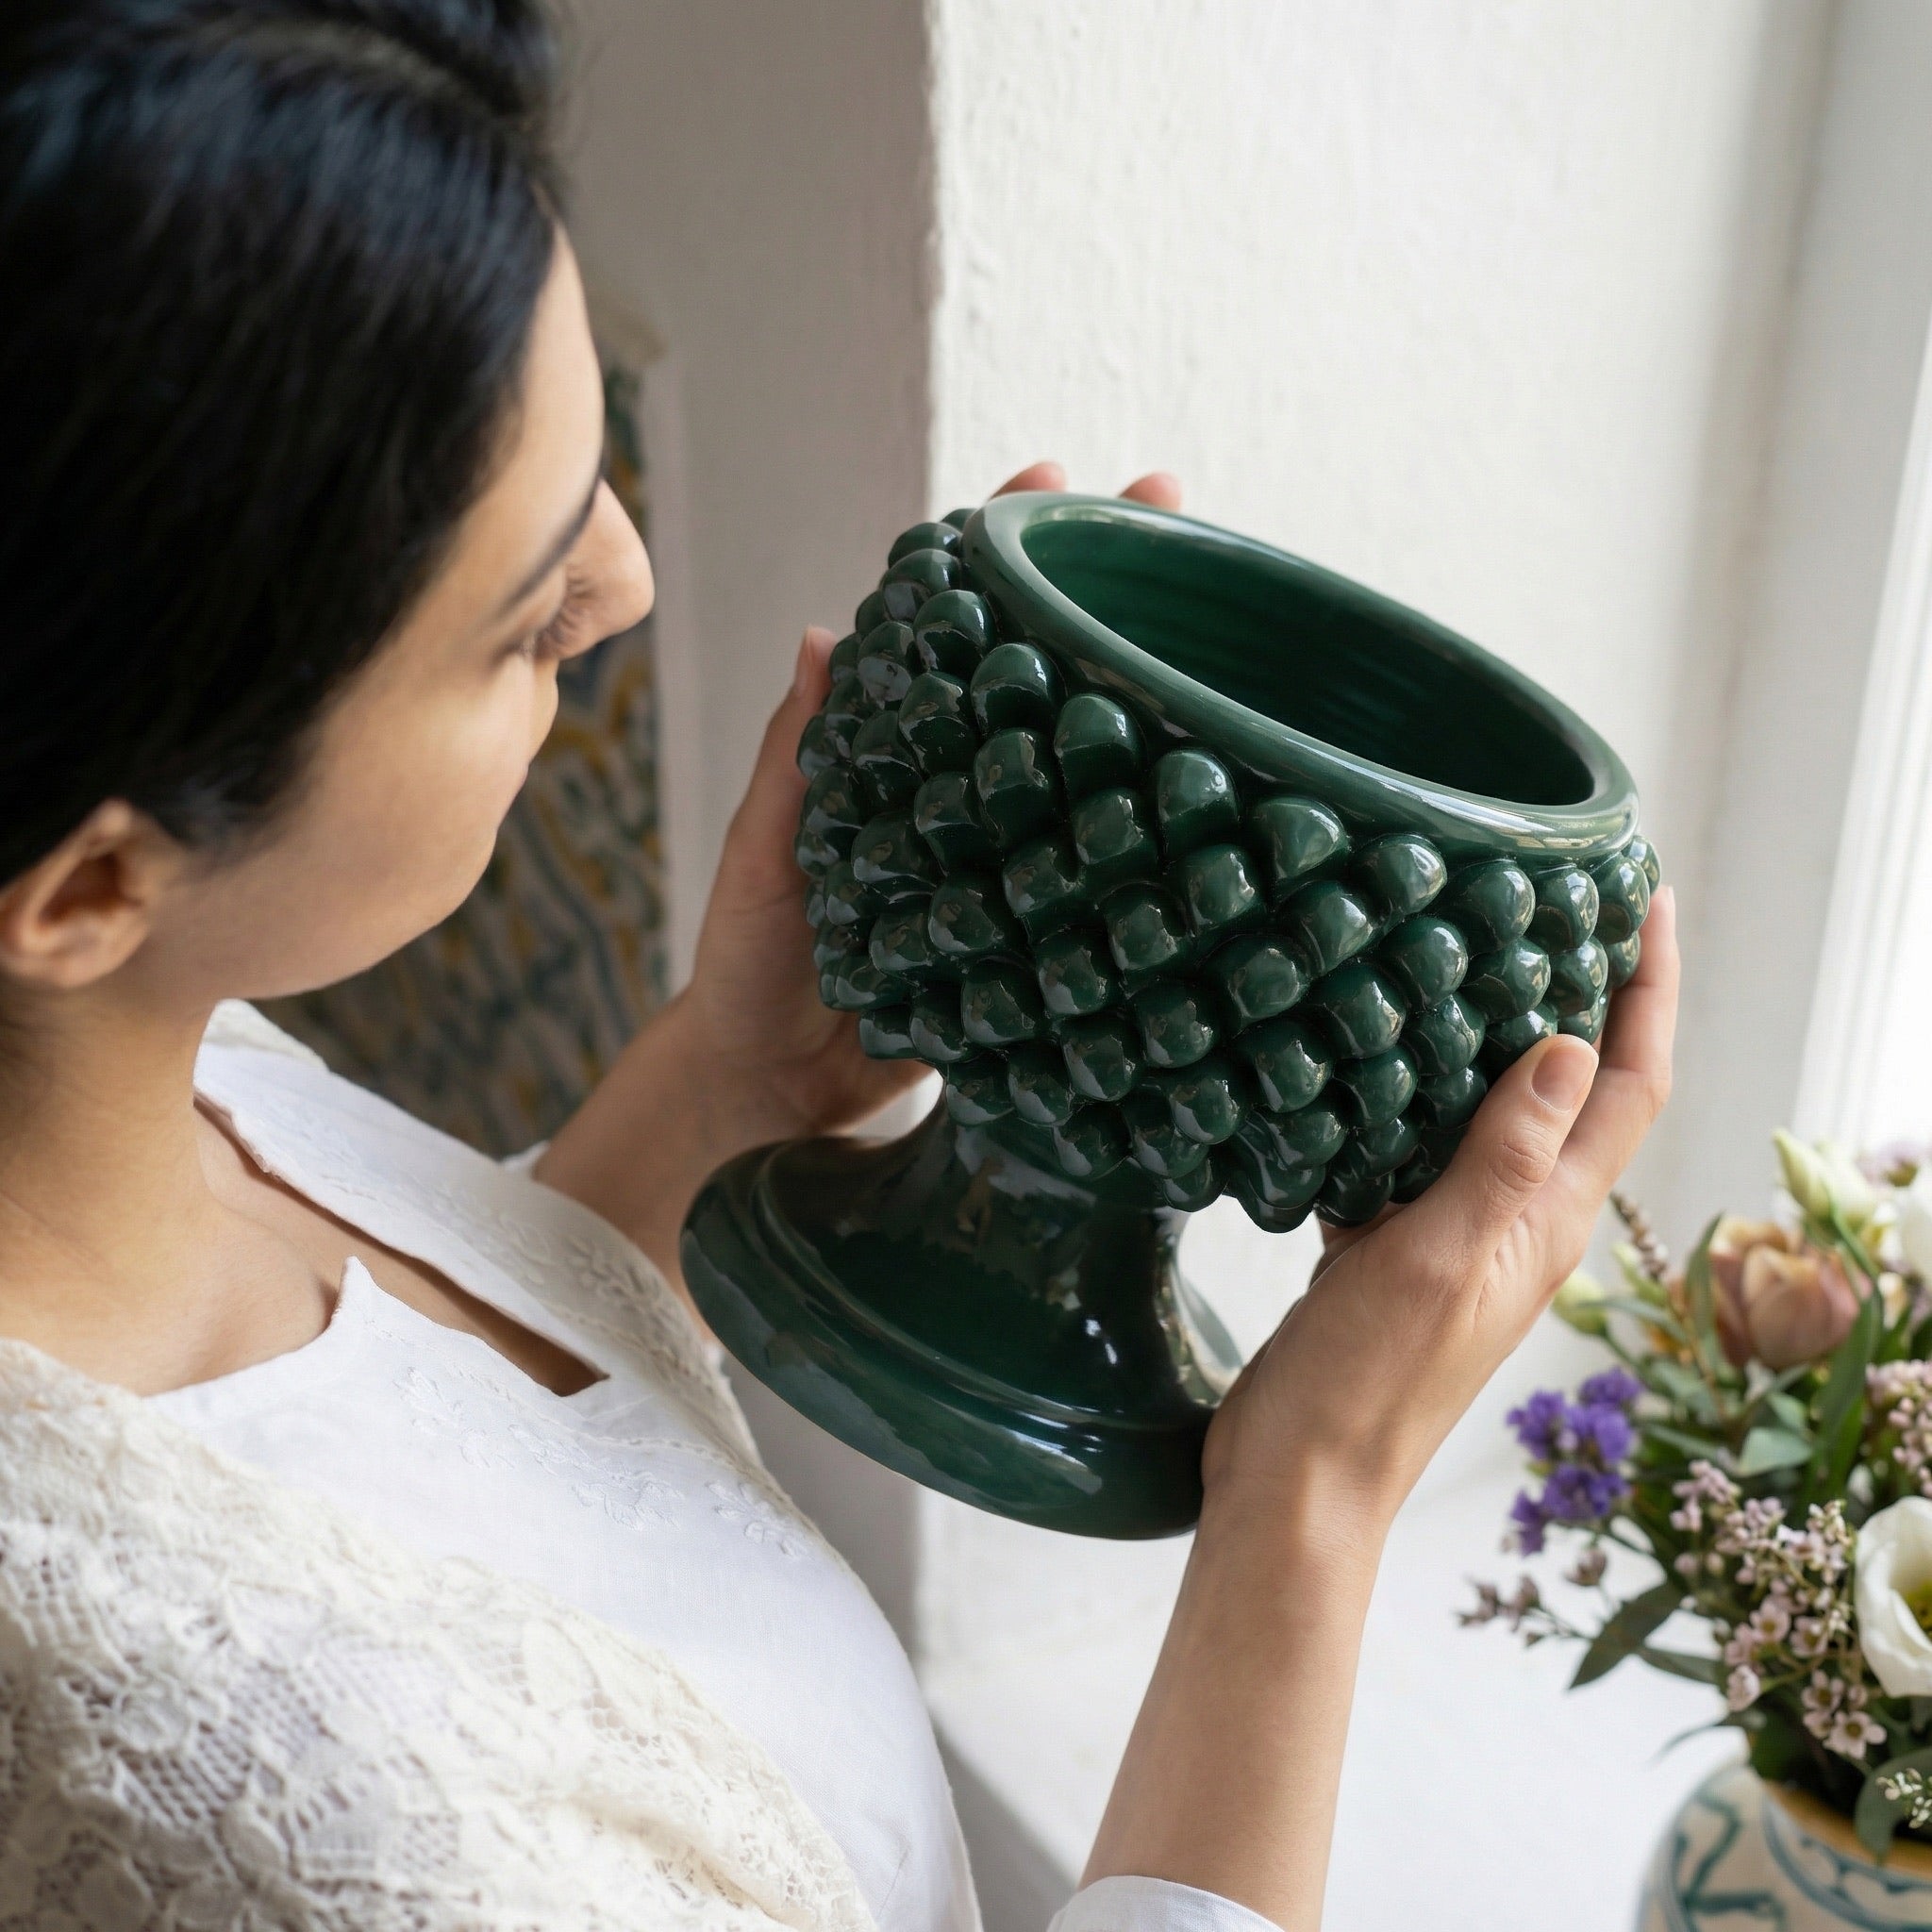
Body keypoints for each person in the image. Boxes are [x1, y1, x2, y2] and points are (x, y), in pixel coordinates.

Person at [0, 3, 1678, 1928]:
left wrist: (731, 1087)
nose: (622, 581)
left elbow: (421, 1488)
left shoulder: (142, 1076)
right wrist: (1308, 1508)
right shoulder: (294, 1828)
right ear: (86, 886)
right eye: (519, 605)